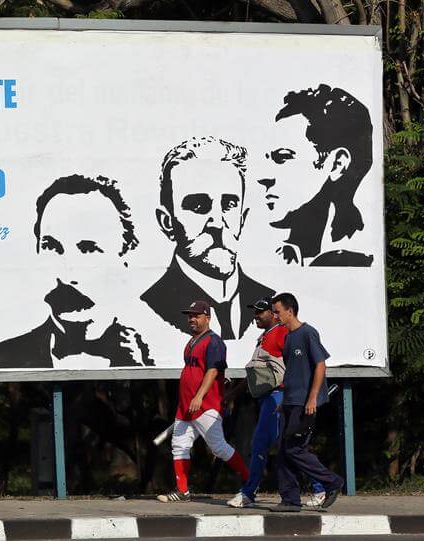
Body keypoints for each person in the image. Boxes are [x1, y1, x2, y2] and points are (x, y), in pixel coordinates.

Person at [0, 174, 153, 369]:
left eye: (88, 249)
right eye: (52, 247)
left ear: (125, 260)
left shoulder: (156, 354)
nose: (67, 274)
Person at [141, 136, 274, 340]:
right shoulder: (151, 306)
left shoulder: (268, 299)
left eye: (229, 204)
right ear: (167, 222)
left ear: (242, 218)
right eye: (198, 206)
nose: (217, 223)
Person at [255, 85, 374, 267]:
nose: (263, 177)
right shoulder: (280, 252)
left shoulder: (353, 257)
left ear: (337, 164)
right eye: (265, 158)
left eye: (282, 157)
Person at [226, 297, 325, 508]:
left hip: (278, 397)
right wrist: (232, 394)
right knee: (290, 447)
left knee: (263, 444)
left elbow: (298, 366)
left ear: (274, 314)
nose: (256, 316)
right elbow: (257, 374)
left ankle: (249, 493)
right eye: (255, 312)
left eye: (261, 312)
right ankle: (320, 487)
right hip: (269, 399)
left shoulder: (282, 333)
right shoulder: (265, 337)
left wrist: (303, 395)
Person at [157, 300, 249, 502]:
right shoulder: (191, 342)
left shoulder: (213, 341)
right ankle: (182, 491)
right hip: (186, 406)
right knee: (179, 445)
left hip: (205, 405)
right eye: (190, 315)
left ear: (207, 317)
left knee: (219, 447)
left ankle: (250, 482)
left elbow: (213, 369)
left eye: (196, 315)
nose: (192, 319)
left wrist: (199, 396)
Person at [268, 292, 343, 512]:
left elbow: (320, 365)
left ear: (290, 311)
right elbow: (294, 372)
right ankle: (290, 500)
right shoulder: (289, 337)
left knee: (294, 449)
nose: (275, 316)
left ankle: (332, 482)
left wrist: (312, 397)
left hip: (304, 404)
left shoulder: (308, 333)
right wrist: (284, 400)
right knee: (283, 451)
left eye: (277, 312)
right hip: (290, 402)